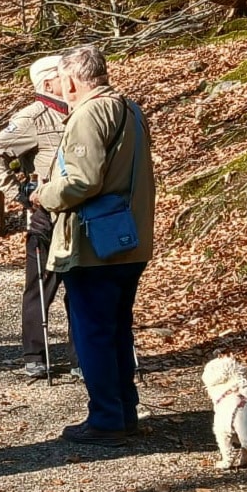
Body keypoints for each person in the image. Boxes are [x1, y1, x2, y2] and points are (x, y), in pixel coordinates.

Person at [34, 44, 154, 448]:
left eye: (59, 80)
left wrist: (44, 196)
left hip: (94, 244)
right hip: (129, 239)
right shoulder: (130, 108)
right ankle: (124, 411)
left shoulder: (89, 114)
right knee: (117, 329)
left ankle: (106, 419)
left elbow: (82, 181)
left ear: (70, 79)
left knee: (93, 332)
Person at [0, 54, 68, 381]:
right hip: (45, 213)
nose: (70, 79)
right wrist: (17, 193)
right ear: (48, 83)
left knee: (79, 288)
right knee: (40, 285)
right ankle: (35, 355)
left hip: (78, 211)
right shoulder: (33, 117)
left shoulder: (81, 112)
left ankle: (80, 358)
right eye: (63, 75)